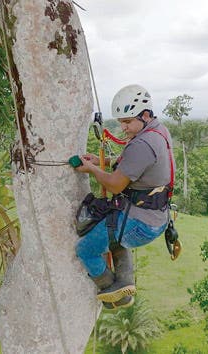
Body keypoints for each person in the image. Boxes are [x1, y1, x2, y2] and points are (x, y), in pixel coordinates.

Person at [74, 84, 175, 310]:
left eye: (128, 122)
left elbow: (115, 185)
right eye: (121, 122)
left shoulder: (143, 143)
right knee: (112, 237)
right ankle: (125, 281)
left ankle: (113, 292)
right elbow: (134, 165)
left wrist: (92, 170)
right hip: (156, 218)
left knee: (85, 249)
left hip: (140, 223)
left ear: (145, 115)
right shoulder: (158, 131)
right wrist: (103, 162)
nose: (124, 127)